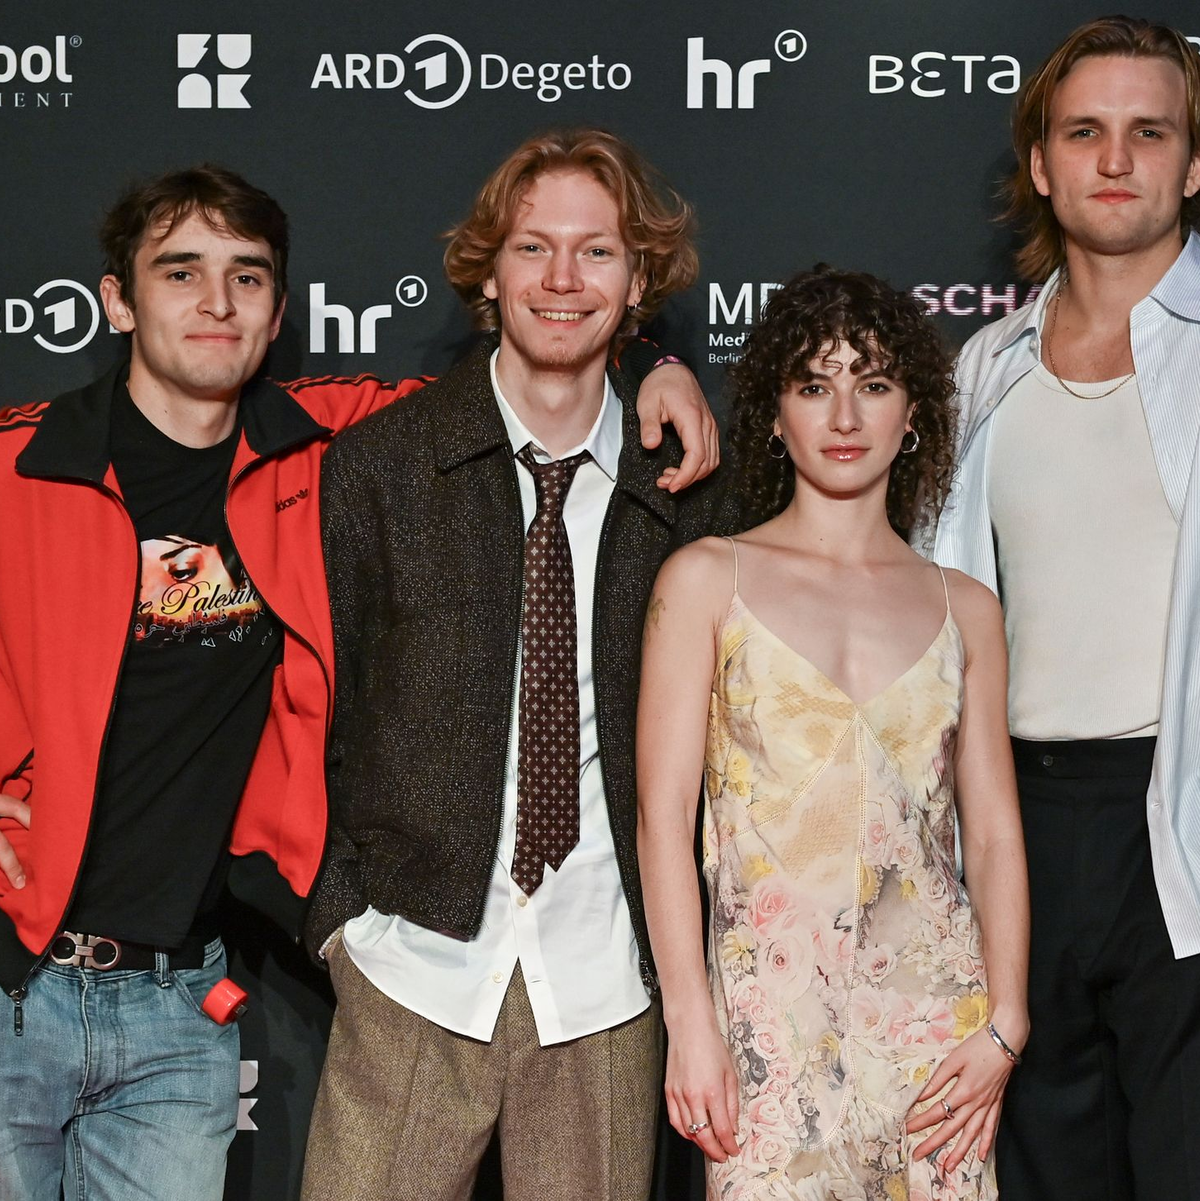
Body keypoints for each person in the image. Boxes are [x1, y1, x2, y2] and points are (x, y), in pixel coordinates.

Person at [0, 163, 715, 1201]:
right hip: (23, 979)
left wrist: (653, 362)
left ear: (279, 310)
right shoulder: (22, 467)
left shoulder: (321, 450)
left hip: (180, 1003)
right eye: (180, 273)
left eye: (245, 278)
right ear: (117, 300)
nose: (215, 303)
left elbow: (541, 377)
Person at [300, 127, 728, 1201]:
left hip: (605, 985)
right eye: (534, 248)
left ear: (639, 283)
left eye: (597, 252)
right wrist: (344, 920)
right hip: (410, 962)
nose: (562, 279)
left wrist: (672, 374)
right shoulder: (384, 467)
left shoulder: (682, 486)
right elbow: (314, 702)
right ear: (489, 270)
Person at [638, 267, 1029, 1200]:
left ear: (914, 414)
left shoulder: (965, 606)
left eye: (875, 383)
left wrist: (1006, 1023)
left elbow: (997, 833)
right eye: (815, 385)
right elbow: (662, 819)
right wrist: (691, 1020)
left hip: (939, 1034)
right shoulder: (705, 578)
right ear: (774, 413)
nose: (844, 414)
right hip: (767, 1025)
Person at [919, 16, 1200, 1199]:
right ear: (1041, 162)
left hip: (1178, 816)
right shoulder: (985, 368)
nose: (1117, 159)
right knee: (1039, 1170)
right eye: (1085, 132)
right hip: (1018, 818)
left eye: (1151, 132)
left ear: (1196, 163)